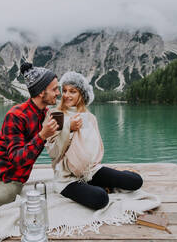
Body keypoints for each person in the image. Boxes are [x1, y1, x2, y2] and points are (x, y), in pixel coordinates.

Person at [0, 62, 60, 212]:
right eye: (55, 89)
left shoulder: (46, 115)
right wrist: (42, 135)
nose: (58, 93)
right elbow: (16, 158)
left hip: (17, 175)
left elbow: (19, 165)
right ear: (40, 92)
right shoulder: (16, 115)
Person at [45, 71, 143, 210]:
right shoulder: (57, 115)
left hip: (90, 171)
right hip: (66, 177)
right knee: (101, 198)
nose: (66, 95)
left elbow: (96, 149)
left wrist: (97, 169)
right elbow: (53, 153)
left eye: (72, 91)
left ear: (81, 94)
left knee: (136, 181)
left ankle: (114, 176)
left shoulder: (90, 118)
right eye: (65, 90)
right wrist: (69, 128)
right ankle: (100, 186)